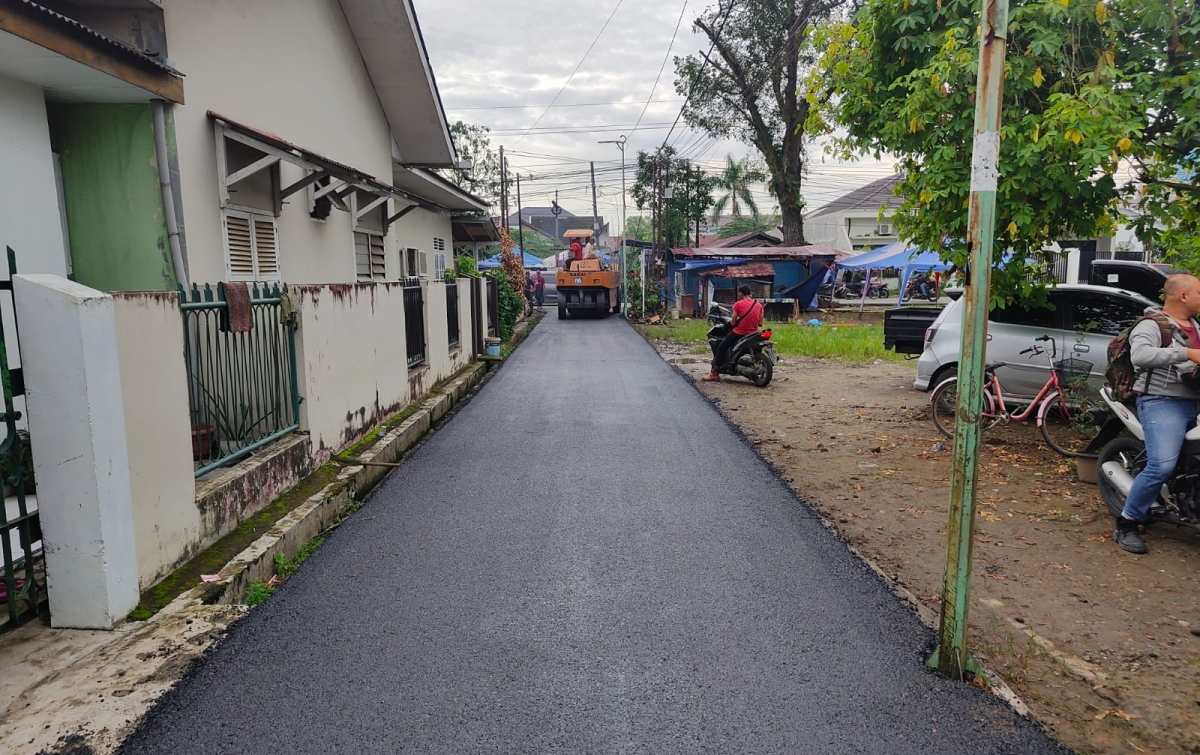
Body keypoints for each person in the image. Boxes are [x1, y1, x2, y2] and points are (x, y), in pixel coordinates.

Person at [1114, 273, 1200, 554]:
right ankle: (1127, 522)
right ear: (1183, 296)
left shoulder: (1195, 326)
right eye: (1199, 293)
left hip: (1194, 401)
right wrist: (1186, 354)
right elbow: (1140, 356)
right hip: (1162, 402)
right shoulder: (1152, 325)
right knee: (1161, 465)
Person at [703, 285, 764, 382]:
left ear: (741, 293)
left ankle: (714, 373)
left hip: (740, 332)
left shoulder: (738, 304)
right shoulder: (759, 304)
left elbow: (733, 323)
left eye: (739, 293)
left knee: (722, 347)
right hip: (753, 333)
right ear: (750, 293)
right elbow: (760, 323)